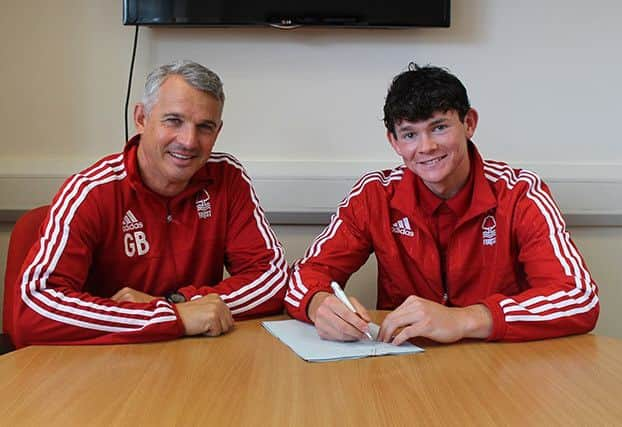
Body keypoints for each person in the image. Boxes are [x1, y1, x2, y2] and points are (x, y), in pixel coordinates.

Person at [285, 63, 599, 344]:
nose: (426, 147)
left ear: (469, 123)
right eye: (409, 134)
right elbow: (303, 277)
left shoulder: (519, 192)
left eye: (439, 127)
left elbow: (578, 298)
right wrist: (318, 304)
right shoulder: (375, 194)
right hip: (406, 369)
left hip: (503, 368)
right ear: (393, 141)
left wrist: (464, 319)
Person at [12, 60, 288, 347]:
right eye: (174, 121)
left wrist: (179, 303)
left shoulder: (227, 177)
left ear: (217, 132)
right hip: (104, 368)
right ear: (142, 118)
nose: (189, 141)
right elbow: (32, 309)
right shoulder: (90, 191)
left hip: (195, 362)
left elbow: (273, 280)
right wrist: (173, 317)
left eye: (204, 127)